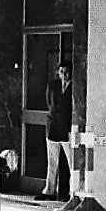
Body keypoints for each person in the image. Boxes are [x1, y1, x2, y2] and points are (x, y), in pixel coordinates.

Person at [36, 61, 73, 201]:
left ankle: (72, 192)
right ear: (58, 72)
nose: (64, 74)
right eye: (61, 71)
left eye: (66, 71)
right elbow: (49, 104)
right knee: (52, 161)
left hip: (67, 128)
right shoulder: (52, 85)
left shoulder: (74, 87)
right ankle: (49, 190)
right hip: (53, 127)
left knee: (71, 162)